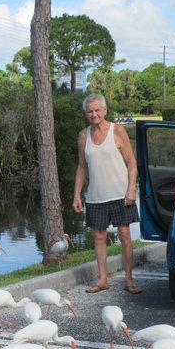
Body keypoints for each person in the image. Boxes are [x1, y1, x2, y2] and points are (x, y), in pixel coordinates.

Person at [72, 93, 141, 294]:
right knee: (99, 237)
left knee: (125, 235)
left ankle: (129, 280)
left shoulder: (117, 131)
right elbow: (81, 167)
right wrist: (77, 195)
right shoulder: (83, 136)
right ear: (86, 113)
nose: (93, 114)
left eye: (97, 110)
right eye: (89, 111)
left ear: (105, 110)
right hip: (95, 196)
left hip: (120, 193)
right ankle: (102, 280)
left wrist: (131, 189)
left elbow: (132, 163)